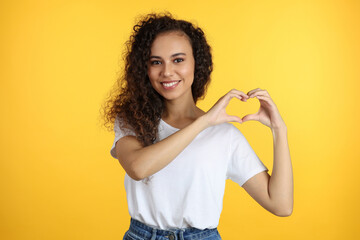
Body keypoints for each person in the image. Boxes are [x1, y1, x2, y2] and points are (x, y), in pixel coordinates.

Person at [103, 12, 293, 240]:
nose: (167, 71)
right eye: (156, 62)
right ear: (144, 68)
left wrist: (279, 130)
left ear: (197, 63)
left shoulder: (224, 135)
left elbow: (281, 205)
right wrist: (204, 122)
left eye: (178, 60)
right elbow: (138, 168)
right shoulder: (132, 120)